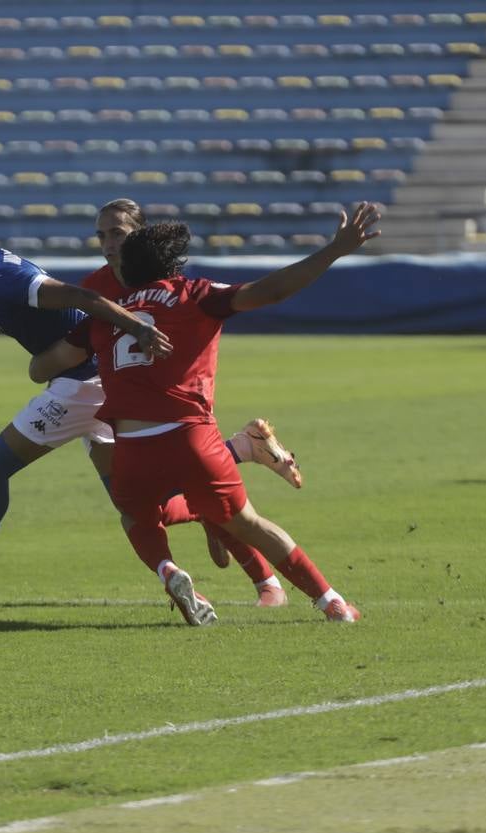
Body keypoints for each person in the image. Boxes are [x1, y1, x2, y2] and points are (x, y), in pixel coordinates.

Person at [27, 205, 382, 625]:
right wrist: (333, 251)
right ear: (174, 265)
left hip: (132, 449)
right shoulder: (194, 293)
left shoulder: (107, 316)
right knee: (247, 522)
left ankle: (168, 569)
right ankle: (331, 602)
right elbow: (272, 291)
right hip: (192, 439)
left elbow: (43, 368)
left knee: (138, 518)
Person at [0, 204, 171, 595]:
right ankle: (226, 475)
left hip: (80, 385)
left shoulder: (0, 276)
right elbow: (7, 306)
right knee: (130, 500)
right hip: (93, 380)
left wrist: (137, 329)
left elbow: (82, 296)